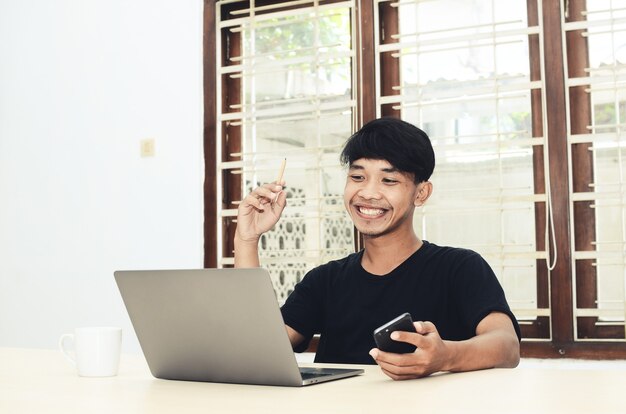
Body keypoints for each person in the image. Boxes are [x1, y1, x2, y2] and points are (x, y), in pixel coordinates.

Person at [234, 117, 521, 380]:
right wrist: (247, 239)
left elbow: (506, 345)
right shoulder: (324, 281)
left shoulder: (459, 267)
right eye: (357, 177)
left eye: (389, 180)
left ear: (421, 193)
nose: (368, 193)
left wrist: (445, 356)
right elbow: (253, 349)